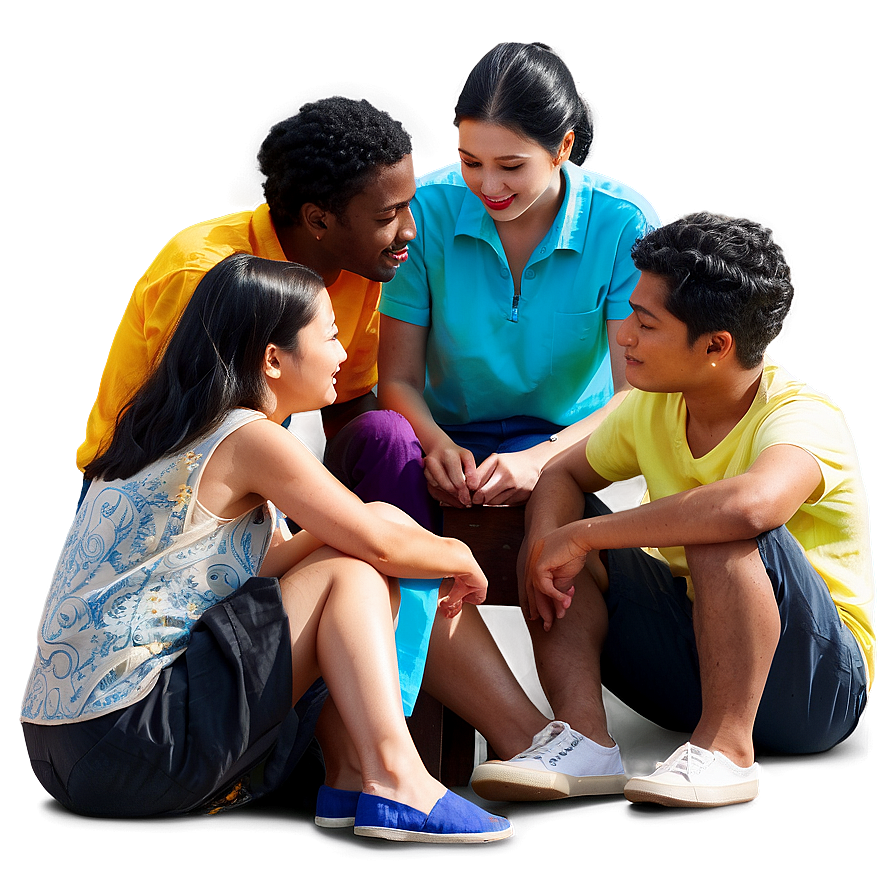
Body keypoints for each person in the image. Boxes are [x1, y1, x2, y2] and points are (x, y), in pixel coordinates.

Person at [21, 254, 512, 843]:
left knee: (351, 542)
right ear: (273, 359)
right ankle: (397, 778)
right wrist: (458, 553)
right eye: (330, 337)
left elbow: (274, 565)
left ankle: (352, 780)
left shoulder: (165, 433)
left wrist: (382, 526)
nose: (343, 353)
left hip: (62, 748)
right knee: (352, 572)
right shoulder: (248, 437)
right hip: (132, 741)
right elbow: (376, 548)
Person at [470, 212, 876, 808]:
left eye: (646, 323)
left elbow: (749, 506)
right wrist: (552, 543)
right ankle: (584, 739)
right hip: (690, 667)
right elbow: (562, 472)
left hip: (813, 689)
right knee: (557, 518)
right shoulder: (653, 406)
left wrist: (585, 537)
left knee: (720, 527)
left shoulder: (801, 415)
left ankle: (728, 751)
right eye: (630, 314)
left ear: (716, 346)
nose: (625, 335)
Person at [76, 96, 431, 524]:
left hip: (265, 475)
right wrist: (345, 523)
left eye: (409, 204)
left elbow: (347, 405)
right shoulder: (206, 274)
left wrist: (414, 464)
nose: (409, 229)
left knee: (386, 437)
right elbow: (190, 437)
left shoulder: (362, 268)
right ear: (318, 220)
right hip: (151, 486)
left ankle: (413, 589)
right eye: (387, 215)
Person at [371, 41, 660, 522]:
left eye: (511, 167)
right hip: (446, 433)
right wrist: (438, 446)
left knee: (556, 527)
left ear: (563, 149)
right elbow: (397, 380)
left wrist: (542, 458)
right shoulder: (423, 211)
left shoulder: (623, 223)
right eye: (470, 162)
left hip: (567, 435)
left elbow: (637, 392)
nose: (488, 186)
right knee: (383, 445)